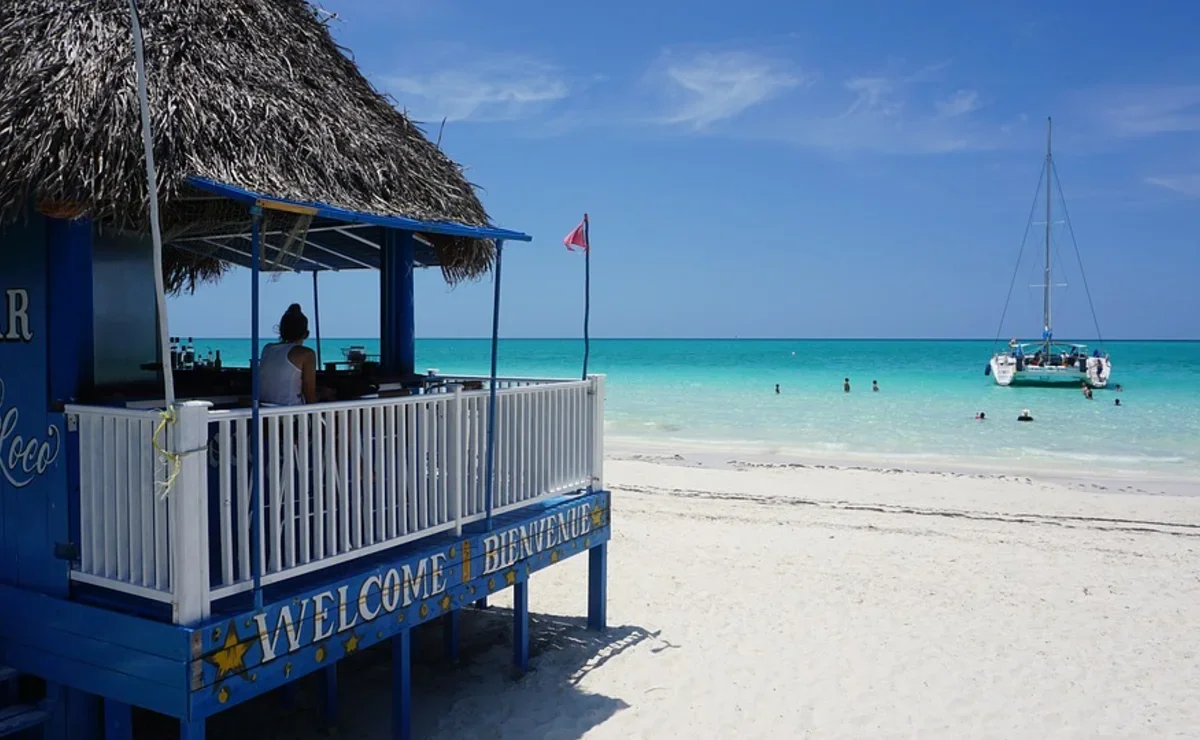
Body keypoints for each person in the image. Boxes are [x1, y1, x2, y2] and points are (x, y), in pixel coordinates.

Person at [260, 303, 324, 406]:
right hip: (291, 412)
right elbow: (309, 394)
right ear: (306, 334)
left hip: (264, 410)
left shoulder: (267, 349)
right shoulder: (307, 354)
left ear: (281, 331)